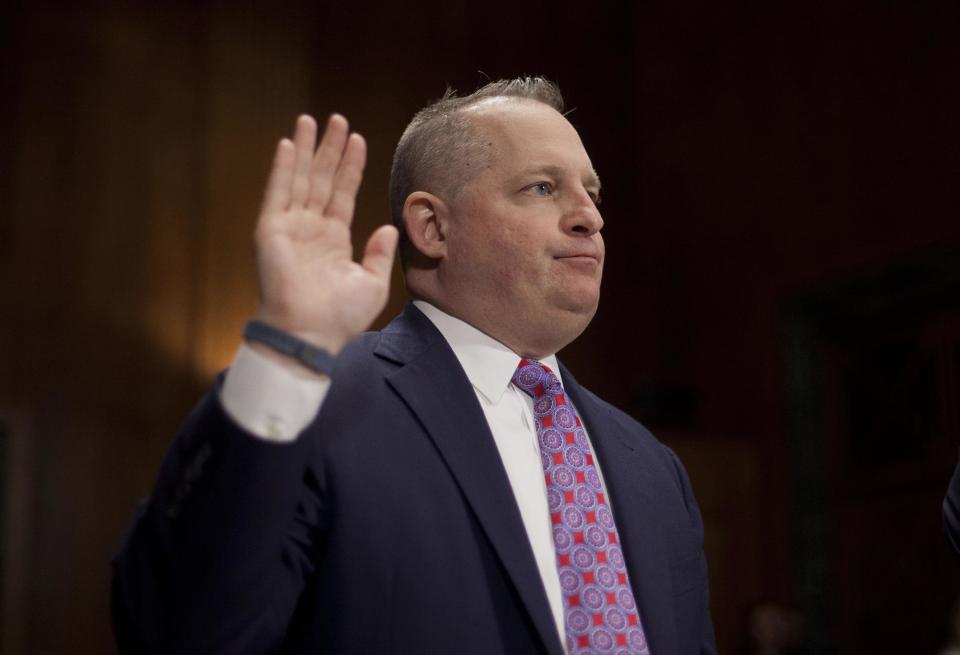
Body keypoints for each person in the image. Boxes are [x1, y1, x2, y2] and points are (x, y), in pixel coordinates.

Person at [112, 77, 716, 655]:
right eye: (542, 188)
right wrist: (282, 350)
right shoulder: (318, 407)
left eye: (593, 192)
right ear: (432, 226)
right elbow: (181, 629)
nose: (591, 216)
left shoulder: (655, 469)